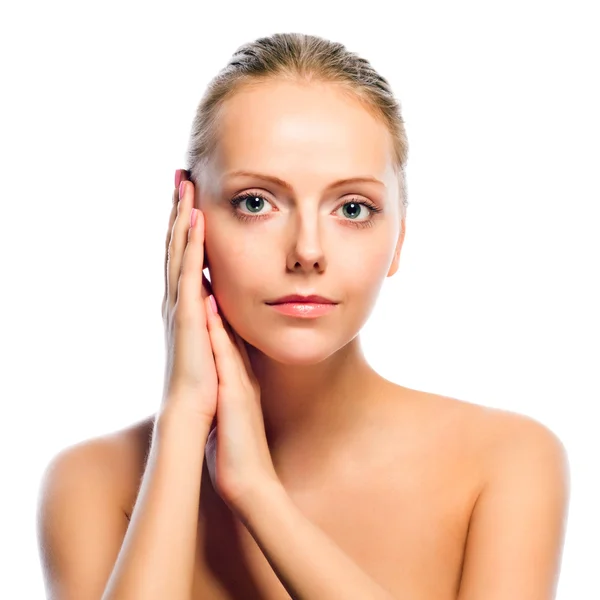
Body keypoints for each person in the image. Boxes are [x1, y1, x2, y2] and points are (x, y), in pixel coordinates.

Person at [37, 32, 570, 600]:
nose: (308, 250)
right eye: (256, 202)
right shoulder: (91, 484)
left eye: (353, 208)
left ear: (399, 238)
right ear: (186, 217)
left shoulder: (506, 463)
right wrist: (185, 421)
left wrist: (259, 493)